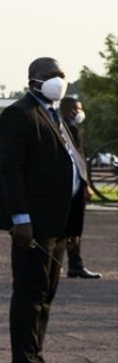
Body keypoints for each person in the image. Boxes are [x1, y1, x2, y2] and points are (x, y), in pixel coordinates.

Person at [0, 58, 90, 363]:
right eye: (50, 75)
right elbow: (11, 170)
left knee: (46, 294)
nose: (58, 80)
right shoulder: (19, 115)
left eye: (61, 74)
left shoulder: (54, 114)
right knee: (30, 294)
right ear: (33, 79)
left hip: (58, 222)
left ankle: (34, 359)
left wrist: (73, 224)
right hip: (33, 225)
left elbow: (70, 163)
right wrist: (20, 219)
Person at [60, 96, 99, 279]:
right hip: (68, 186)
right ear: (71, 110)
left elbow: (80, 159)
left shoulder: (71, 129)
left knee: (72, 227)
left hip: (75, 184)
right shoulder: (66, 129)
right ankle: (69, 264)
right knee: (68, 227)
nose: (81, 112)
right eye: (78, 109)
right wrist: (85, 184)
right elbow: (77, 160)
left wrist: (85, 183)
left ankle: (74, 264)